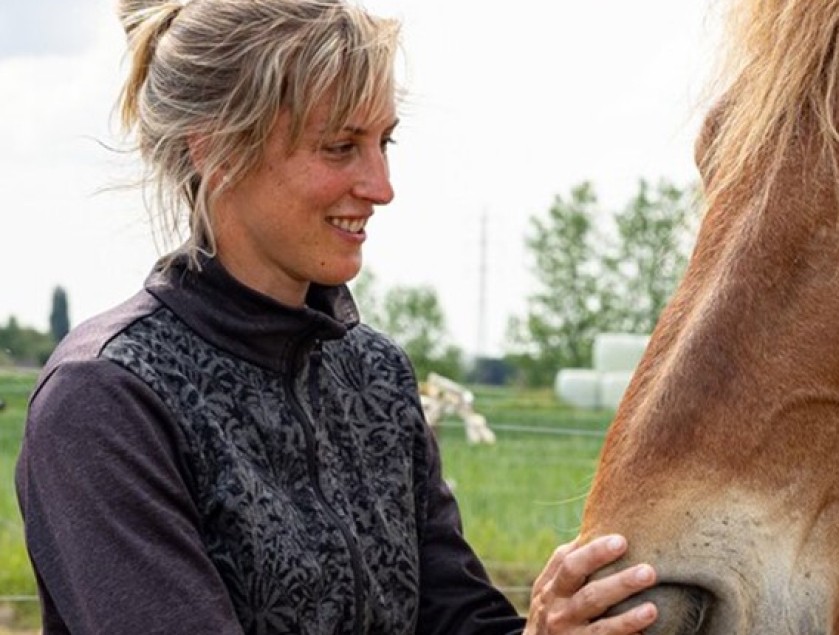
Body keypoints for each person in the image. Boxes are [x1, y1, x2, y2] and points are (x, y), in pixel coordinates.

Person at [14, 1, 658, 633]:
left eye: (384, 141)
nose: (382, 186)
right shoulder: (106, 401)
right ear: (215, 150)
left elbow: (453, 619)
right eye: (341, 146)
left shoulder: (375, 376)